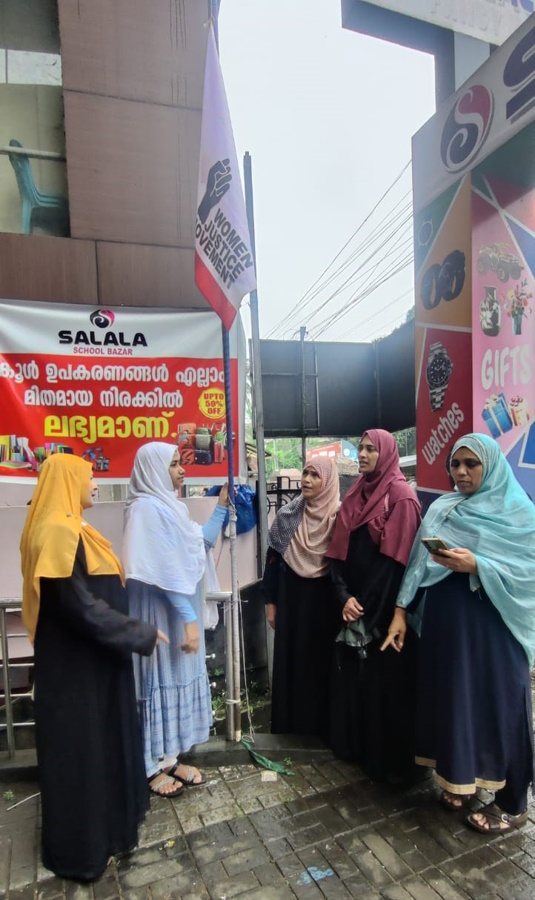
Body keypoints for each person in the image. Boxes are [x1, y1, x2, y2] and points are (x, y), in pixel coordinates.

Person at [20, 454, 163, 882]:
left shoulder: (70, 527)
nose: (95, 485)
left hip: (93, 664)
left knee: (99, 749)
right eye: (89, 477)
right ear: (68, 481)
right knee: (80, 755)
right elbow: (79, 607)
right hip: (76, 672)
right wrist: (139, 633)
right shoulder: (56, 532)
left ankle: (107, 834)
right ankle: (81, 853)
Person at [382, 433, 535, 833]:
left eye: (471, 464)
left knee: (503, 705)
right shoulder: (444, 508)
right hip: (449, 629)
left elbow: (530, 572)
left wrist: (479, 565)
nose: (462, 472)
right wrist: (400, 610)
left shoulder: (519, 513)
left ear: (491, 466)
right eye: (455, 465)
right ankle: (462, 780)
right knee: (457, 701)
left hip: (497, 629)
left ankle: (513, 803)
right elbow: (418, 563)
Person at [123, 442, 228, 794]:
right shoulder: (144, 510)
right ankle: (148, 766)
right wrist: (189, 619)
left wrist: (221, 506)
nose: (182, 470)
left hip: (177, 616)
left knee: (175, 676)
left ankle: (169, 758)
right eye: (172, 464)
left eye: (180, 462)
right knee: (155, 680)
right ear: (153, 469)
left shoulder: (171, 508)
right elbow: (162, 572)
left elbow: (200, 544)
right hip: (160, 616)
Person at [326, 429, 422, 782]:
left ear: (386, 453)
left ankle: (391, 769)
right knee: (358, 685)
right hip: (352, 607)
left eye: (370, 449)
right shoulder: (355, 493)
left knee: (388, 689)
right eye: (361, 448)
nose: (363, 455)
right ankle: (359, 752)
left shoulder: (401, 497)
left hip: (385, 615)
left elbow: (395, 565)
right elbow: (337, 554)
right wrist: (343, 597)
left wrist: (364, 610)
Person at [262, 458, 340, 737]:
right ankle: (289, 729)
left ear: (328, 482)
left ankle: (320, 731)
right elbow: (272, 560)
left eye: (315, 475)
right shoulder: (287, 516)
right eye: (305, 473)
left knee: (321, 664)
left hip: (325, 603)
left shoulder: (339, 518)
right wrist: (270, 604)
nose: (306, 480)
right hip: (291, 600)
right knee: (291, 662)